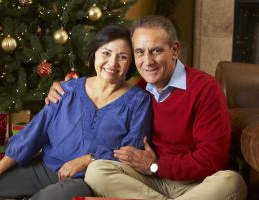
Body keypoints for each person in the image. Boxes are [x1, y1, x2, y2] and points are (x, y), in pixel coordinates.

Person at [45, 16, 248, 200]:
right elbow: (116, 140)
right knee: (97, 171)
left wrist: (155, 165)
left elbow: (212, 160)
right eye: (140, 52)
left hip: (199, 184)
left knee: (232, 182)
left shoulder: (205, 89)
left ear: (175, 50)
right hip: (151, 182)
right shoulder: (139, 92)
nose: (147, 61)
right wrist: (63, 88)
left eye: (156, 50)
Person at [0, 24, 152, 200]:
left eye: (123, 57)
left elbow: (131, 153)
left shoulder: (138, 101)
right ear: (94, 54)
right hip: (45, 168)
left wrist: (88, 160)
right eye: (106, 53)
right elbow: (34, 133)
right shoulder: (66, 89)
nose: (113, 63)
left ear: (131, 64)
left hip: (84, 180)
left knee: (50, 198)